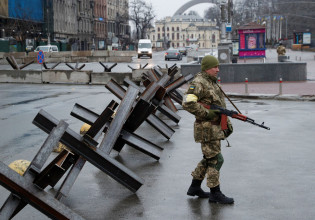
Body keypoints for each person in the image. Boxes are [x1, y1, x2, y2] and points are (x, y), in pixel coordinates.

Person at [182, 55, 234, 204]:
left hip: (213, 128)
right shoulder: (199, 83)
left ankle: (194, 187)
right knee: (216, 159)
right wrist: (207, 113)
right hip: (206, 129)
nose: (218, 69)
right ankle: (215, 193)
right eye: (215, 67)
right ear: (206, 68)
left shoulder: (211, 81)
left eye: (218, 66)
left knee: (209, 159)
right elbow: (187, 102)